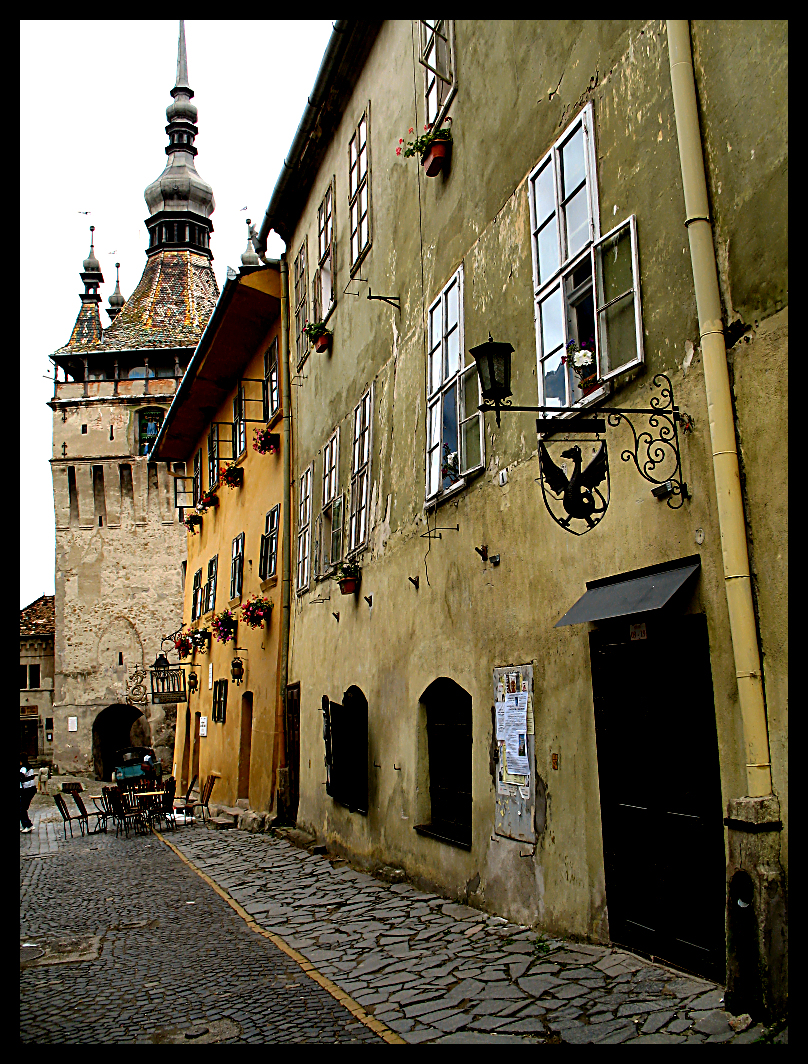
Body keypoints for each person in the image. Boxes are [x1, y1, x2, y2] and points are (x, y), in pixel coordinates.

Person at [20, 754, 37, 833]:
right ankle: (25, 825)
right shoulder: (28, 766)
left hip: (28, 790)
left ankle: (28, 825)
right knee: (22, 808)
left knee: (22, 808)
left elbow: (21, 776)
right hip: (29, 789)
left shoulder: (24, 767)